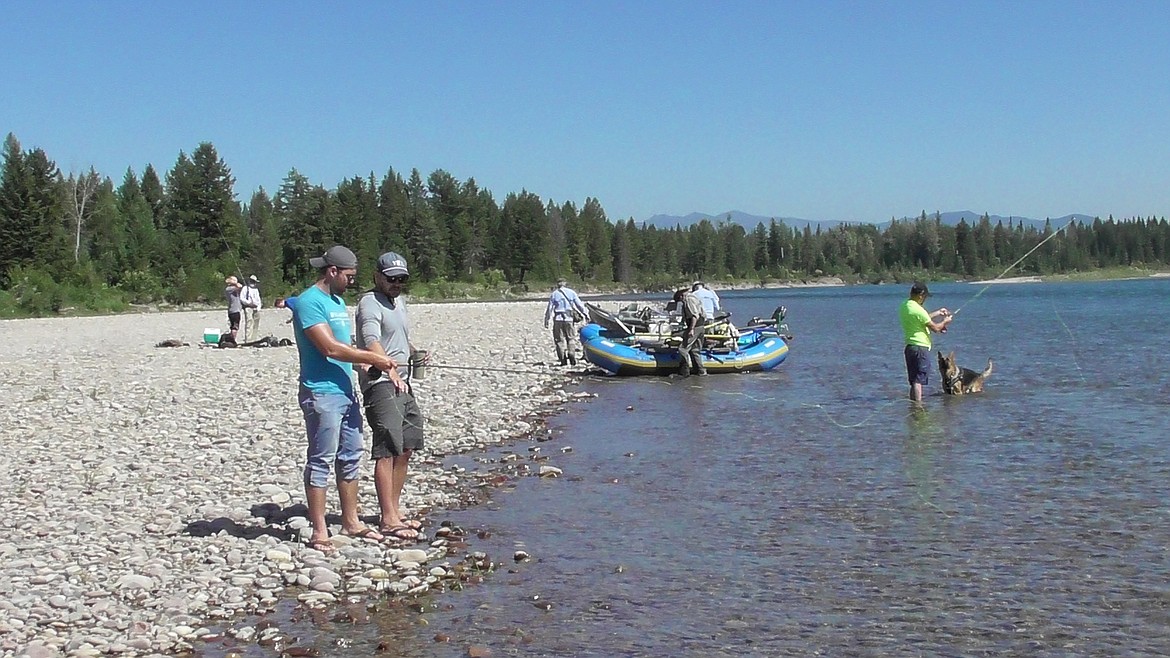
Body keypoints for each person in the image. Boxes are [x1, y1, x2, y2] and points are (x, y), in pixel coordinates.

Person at [293, 245, 399, 553]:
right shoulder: (309, 302)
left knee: (351, 455)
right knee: (321, 459)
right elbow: (329, 348)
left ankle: (351, 521)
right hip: (321, 392)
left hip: (345, 390)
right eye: (349, 277)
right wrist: (372, 357)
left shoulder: (337, 301)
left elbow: (344, 348)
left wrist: (364, 363)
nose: (351, 283)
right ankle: (319, 530)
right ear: (332, 271)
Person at [356, 251, 428, 542]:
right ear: (377, 277)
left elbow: (396, 335)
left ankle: (394, 511)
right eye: (391, 279)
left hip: (403, 382)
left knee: (407, 446)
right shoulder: (369, 303)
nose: (397, 284)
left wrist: (413, 352)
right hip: (381, 383)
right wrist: (388, 367)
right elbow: (371, 338)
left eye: (402, 279)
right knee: (387, 447)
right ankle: (388, 519)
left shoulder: (399, 302)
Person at [899, 281, 953, 402]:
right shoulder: (919, 310)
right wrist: (945, 321)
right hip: (920, 348)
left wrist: (938, 313)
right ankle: (918, 406)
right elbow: (936, 328)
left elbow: (922, 318)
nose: (925, 300)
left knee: (914, 380)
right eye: (925, 297)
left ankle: (913, 405)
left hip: (910, 348)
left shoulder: (905, 305)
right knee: (919, 380)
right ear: (921, 295)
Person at [543, 279, 589, 366]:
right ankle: (571, 353)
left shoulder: (554, 294)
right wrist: (586, 314)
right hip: (569, 319)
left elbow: (550, 309)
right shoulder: (571, 293)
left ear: (558, 284)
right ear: (565, 283)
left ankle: (563, 360)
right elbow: (579, 305)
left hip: (558, 319)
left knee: (559, 340)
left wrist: (547, 320)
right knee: (571, 338)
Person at [673, 287, 707, 376]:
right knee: (695, 350)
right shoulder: (694, 298)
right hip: (701, 326)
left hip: (695, 326)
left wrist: (691, 329)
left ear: (681, 296)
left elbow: (694, 316)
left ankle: (684, 371)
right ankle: (700, 370)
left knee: (683, 349)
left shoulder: (689, 300)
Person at [240, 275, 263, 342]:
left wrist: (258, 308)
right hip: (248, 308)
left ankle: (254, 338)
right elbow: (242, 298)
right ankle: (248, 339)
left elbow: (259, 300)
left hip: (256, 308)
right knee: (249, 323)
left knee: (256, 323)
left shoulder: (256, 290)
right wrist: (249, 303)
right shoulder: (245, 288)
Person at [223, 276, 243, 343]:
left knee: (233, 326)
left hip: (233, 310)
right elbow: (240, 286)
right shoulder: (229, 289)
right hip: (234, 310)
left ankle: (232, 339)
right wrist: (235, 283)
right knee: (235, 327)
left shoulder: (232, 289)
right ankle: (233, 340)